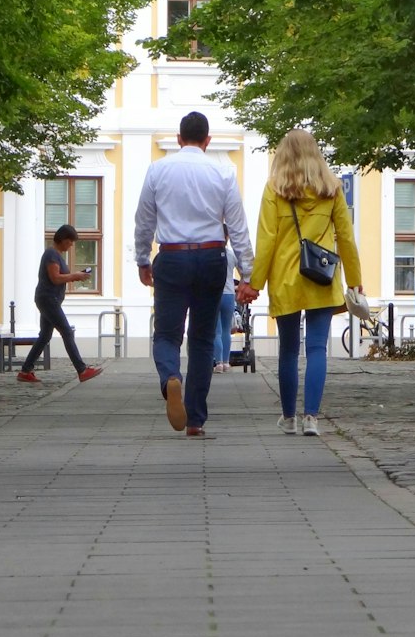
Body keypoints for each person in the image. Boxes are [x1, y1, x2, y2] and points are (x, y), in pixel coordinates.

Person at [135, 111, 254, 437]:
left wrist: (142, 259)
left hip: (172, 258)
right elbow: (238, 227)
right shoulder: (223, 173)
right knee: (202, 340)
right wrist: (247, 273)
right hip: (213, 257)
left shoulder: (157, 171)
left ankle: (171, 377)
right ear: (207, 141)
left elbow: (144, 220)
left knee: (166, 335)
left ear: (178, 139)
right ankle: (195, 420)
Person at [238, 129, 364, 436]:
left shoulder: (274, 189)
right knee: (318, 348)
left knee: (289, 350)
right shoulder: (332, 189)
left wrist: (255, 282)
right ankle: (312, 418)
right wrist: (355, 281)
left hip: (286, 278)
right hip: (321, 277)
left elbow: (266, 240)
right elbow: (345, 237)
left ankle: (289, 417)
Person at [17, 225, 103, 384]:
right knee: (67, 332)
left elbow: (59, 277)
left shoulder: (57, 255)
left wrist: (75, 276)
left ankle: (25, 370)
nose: (71, 246)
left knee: (44, 336)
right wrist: (74, 275)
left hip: (49, 299)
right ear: (63, 240)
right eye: (70, 242)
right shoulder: (51, 254)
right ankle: (82, 370)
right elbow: (55, 278)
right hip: (48, 299)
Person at [212, 226, 236, 373]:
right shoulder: (231, 255)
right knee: (227, 329)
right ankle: (227, 362)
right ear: (227, 237)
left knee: (216, 331)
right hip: (229, 294)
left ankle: (218, 362)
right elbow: (242, 271)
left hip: (215, 293)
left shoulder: (212, 255)